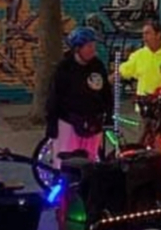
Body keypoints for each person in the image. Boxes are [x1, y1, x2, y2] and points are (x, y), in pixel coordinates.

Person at [45, 27, 112, 163]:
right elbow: (54, 96)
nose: (93, 50)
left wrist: (109, 115)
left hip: (93, 123)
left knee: (90, 163)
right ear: (77, 49)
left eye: (94, 46)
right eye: (89, 46)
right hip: (69, 123)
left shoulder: (97, 65)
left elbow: (106, 93)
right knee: (67, 163)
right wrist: (52, 124)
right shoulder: (65, 68)